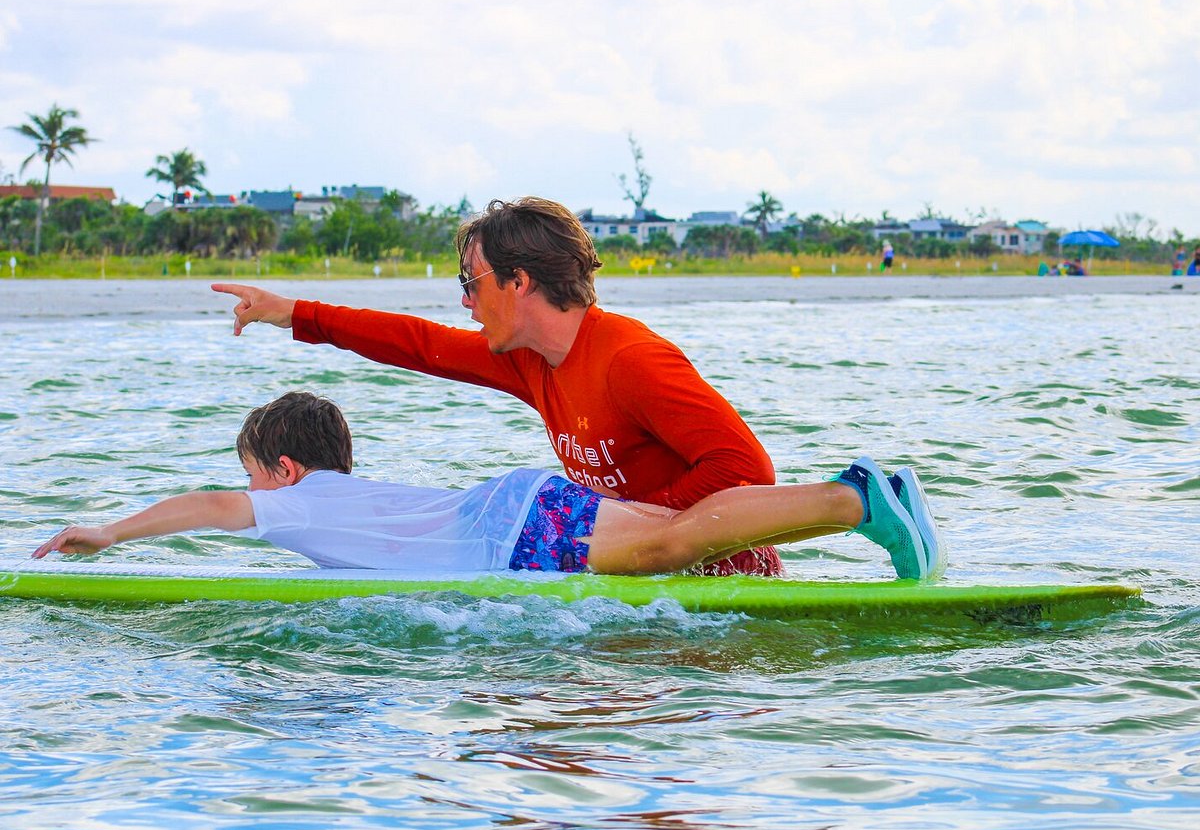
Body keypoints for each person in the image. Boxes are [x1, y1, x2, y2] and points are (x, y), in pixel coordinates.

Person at [212, 197, 783, 577]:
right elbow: (419, 344)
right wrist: (293, 313)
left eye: (471, 281)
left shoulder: (631, 360)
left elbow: (750, 473)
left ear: (518, 281)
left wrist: (628, 519)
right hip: (641, 576)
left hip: (720, 587)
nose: (465, 301)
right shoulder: (531, 360)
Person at [33, 393, 945, 580]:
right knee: (681, 534)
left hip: (514, 532)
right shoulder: (354, 501)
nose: (250, 498)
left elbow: (211, 511)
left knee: (673, 539)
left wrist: (109, 533)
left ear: (283, 469)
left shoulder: (297, 501)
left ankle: (860, 497)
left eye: (253, 480)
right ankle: (797, 533)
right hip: (518, 508)